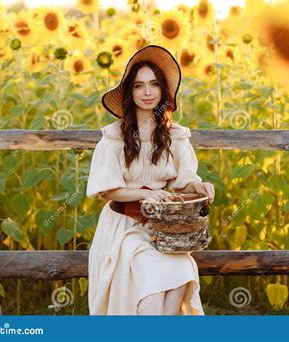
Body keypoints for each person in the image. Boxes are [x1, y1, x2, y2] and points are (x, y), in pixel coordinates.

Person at [86, 45, 215, 315]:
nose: (147, 93)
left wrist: (199, 187)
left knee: (181, 272)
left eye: (154, 85)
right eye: (139, 86)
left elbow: (183, 181)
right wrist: (144, 194)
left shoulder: (175, 136)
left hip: (163, 229)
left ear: (163, 91)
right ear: (130, 93)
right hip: (123, 227)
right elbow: (109, 191)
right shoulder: (113, 138)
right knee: (153, 291)